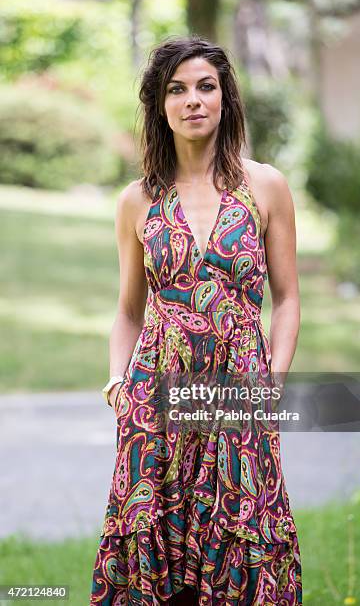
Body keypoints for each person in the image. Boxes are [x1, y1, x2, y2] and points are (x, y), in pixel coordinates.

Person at [90, 35, 302, 605]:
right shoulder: (137, 200)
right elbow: (129, 308)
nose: (192, 101)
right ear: (160, 106)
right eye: (176, 90)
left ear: (225, 99)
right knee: (157, 547)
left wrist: (272, 381)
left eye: (205, 87)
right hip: (154, 399)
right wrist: (117, 381)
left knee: (244, 533)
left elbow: (286, 300)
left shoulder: (266, 187)